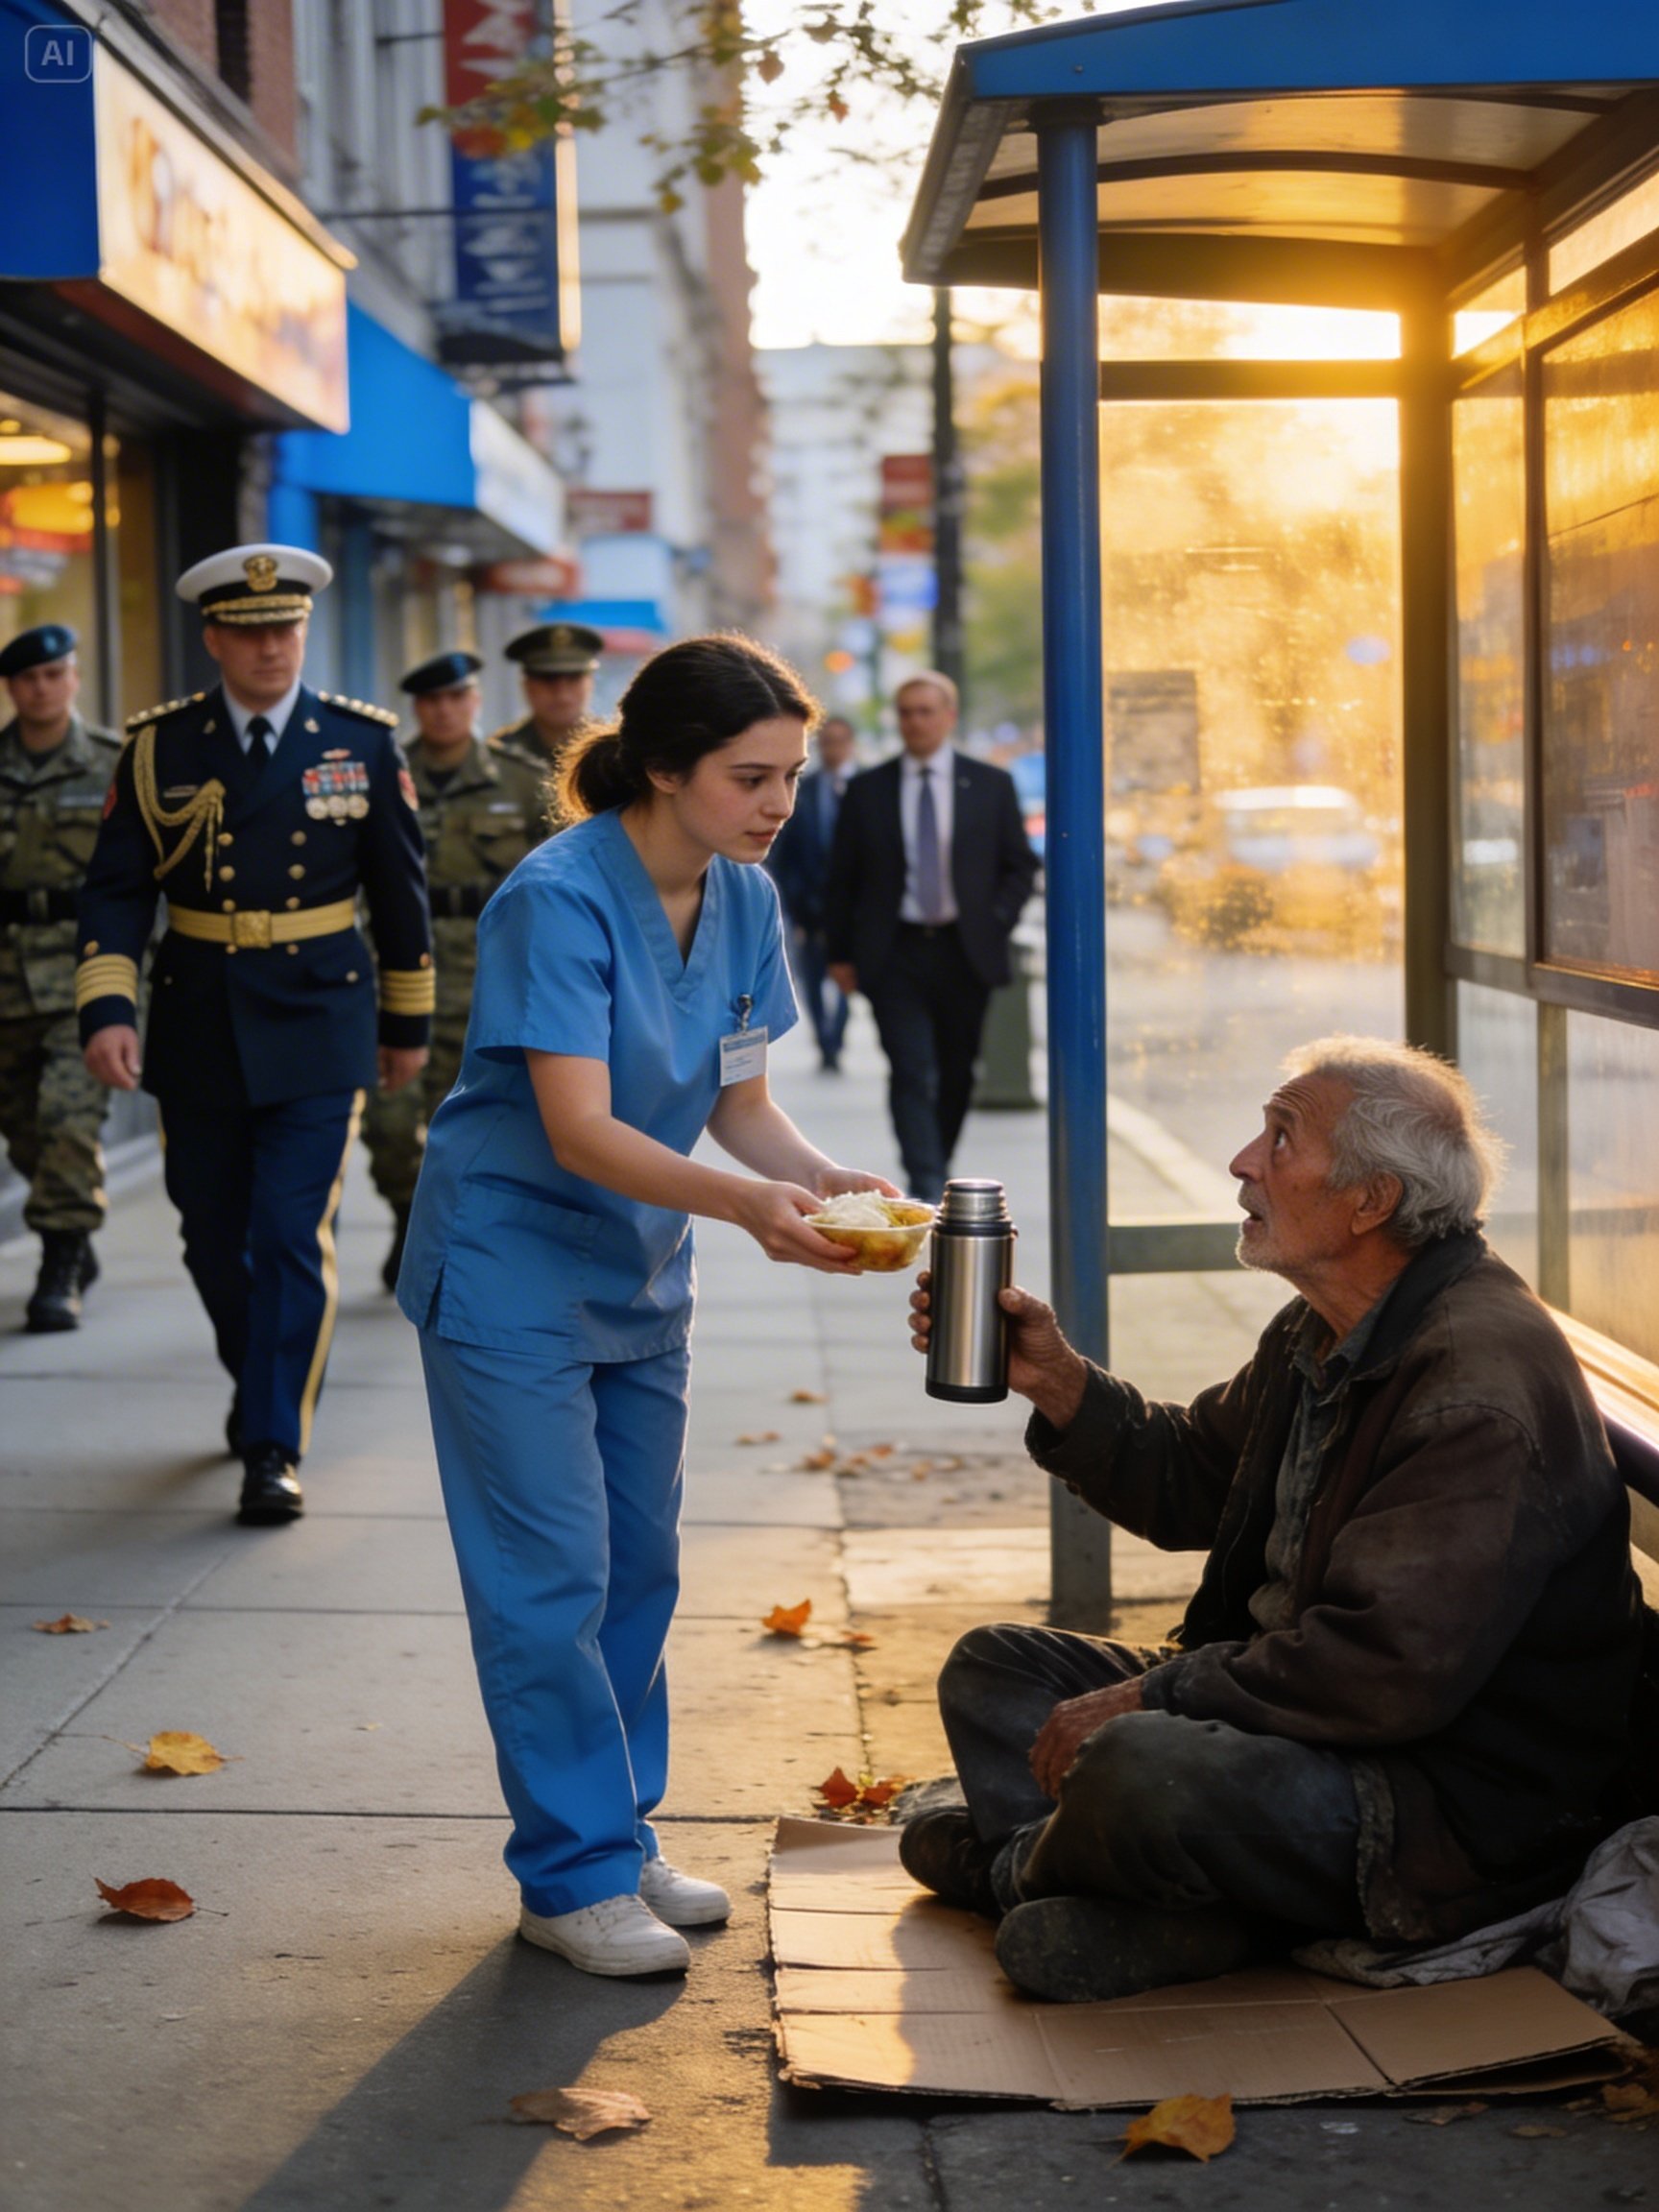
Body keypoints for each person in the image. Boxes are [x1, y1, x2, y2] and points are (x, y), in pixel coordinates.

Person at [902, 1037, 1645, 2004]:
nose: (1245, 1162)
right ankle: (1183, 1902)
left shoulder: (1474, 1384)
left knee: (1135, 1765)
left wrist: (1155, 1700)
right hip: (1294, 1720)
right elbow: (1191, 1479)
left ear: (1370, 1200)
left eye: (1280, 1139)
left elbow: (1382, 1673)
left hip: (1434, 1807)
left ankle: (1014, 1869)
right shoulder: (1325, 1326)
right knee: (997, 1667)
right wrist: (1057, 1383)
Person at [397, 635, 898, 1980]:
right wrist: (749, 1210)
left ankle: (615, 1836)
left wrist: (825, 1182)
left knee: (640, 1567)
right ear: (666, 769)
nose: (779, 803)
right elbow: (577, 1127)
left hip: (634, 1274)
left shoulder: (740, 896)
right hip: (509, 1270)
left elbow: (742, 1102)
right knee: (550, 1577)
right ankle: (566, 1878)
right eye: (751, 777)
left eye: (790, 775)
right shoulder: (555, 900)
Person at [77, 544, 433, 1527]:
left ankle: (274, 1441)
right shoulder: (159, 748)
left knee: (287, 1232)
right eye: (250, 630)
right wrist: (108, 1009)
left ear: (304, 633)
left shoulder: (359, 743)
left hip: (322, 1020)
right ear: (213, 637)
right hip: (196, 1017)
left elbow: (400, 898)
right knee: (209, 1234)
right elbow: (114, 892)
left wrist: (406, 1022)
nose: (271, 647)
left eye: (286, 629)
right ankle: (259, 1378)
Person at [362, 649, 551, 1290]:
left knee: (474, 1125)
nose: (444, 710)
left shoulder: (521, 781)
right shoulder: (381, 773)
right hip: (400, 979)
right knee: (388, 1125)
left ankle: (454, 1236)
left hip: (485, 982)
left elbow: (554, 887)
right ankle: (407, 1214)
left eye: (456, 697)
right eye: (431, 701)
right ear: (417, 708)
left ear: (474, 701)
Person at [825, 672, 1038, 1200]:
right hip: (894, 951)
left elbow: (1019, 865)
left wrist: (995, 919)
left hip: (964, 950)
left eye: (925, 711)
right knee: (910, 1068)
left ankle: (937, 1156)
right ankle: (924, 1178)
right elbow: (841, 878)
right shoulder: (868, 789)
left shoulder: (990, 784)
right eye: (906, 712)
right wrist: (839, 954)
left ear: (949, 716)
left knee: (958, 1069)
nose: (915, 721)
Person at [0, 624, 122, 1331]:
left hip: (86, 975)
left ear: (73, 679)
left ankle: (62, 1256)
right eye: (26, 680)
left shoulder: (112, 763)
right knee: (23, 1129)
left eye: (53, 675)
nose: (40, 689)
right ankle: (68, 1233)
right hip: (7, 978)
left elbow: (146, 880)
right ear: (13, 689)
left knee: (67, 1116)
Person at [767, 712, 856, 1071]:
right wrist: (794, 905)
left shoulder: (866, 789)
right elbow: (782, 856)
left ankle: (838, 1035)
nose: (833, 749)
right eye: (827, 741)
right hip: (810, 909)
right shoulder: (803, 790)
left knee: (850, 979)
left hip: (854, 911)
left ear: (850, 745)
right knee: (814, 979)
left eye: (840, 741)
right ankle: (824, 1041)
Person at [492, 620, 604, 789]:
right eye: (548, 679)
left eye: (573, 678)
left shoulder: (614, 750)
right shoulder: (498, 758)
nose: (562, 692)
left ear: (590, 683)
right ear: (527, 685)